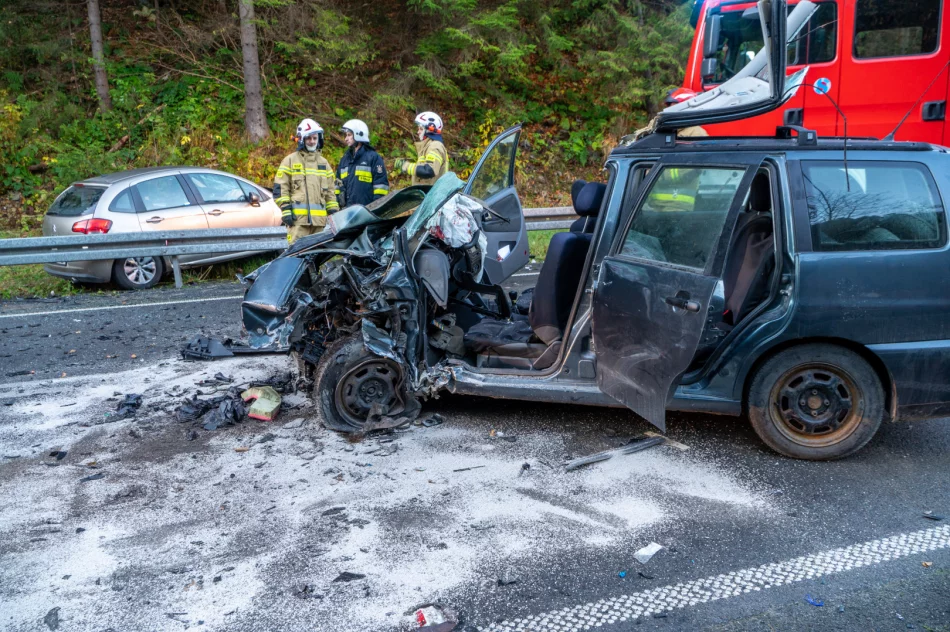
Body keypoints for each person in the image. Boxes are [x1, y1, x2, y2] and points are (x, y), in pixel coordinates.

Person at [273, 118, 339, 244]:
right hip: (298, 222)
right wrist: (286, 210)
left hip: (319, 224)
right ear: (302, 139)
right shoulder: (290, 161)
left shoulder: (324, 163)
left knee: (318, 254)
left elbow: (331, 191)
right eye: (309, 138)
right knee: (297, 254)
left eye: (315, 138)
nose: (312, 141)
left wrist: (333, 212)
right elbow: (280, 188)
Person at [335, 119, 389, 208]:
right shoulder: (344, 160)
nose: (346, 138)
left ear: (359, 134)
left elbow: (381, 187)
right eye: (346, 135)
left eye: (349, 135)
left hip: (367, 212)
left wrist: (375, 208)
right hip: (347, 212)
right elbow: (337, 186)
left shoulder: (373, 158)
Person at [393, 111, 448, 186]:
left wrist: (406, 166)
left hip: (432, 192)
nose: (418, 132)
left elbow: (429, 170)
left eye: (421, 129)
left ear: (430, 130)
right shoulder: (428, 146)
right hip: (428, 191)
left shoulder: (435, 146)